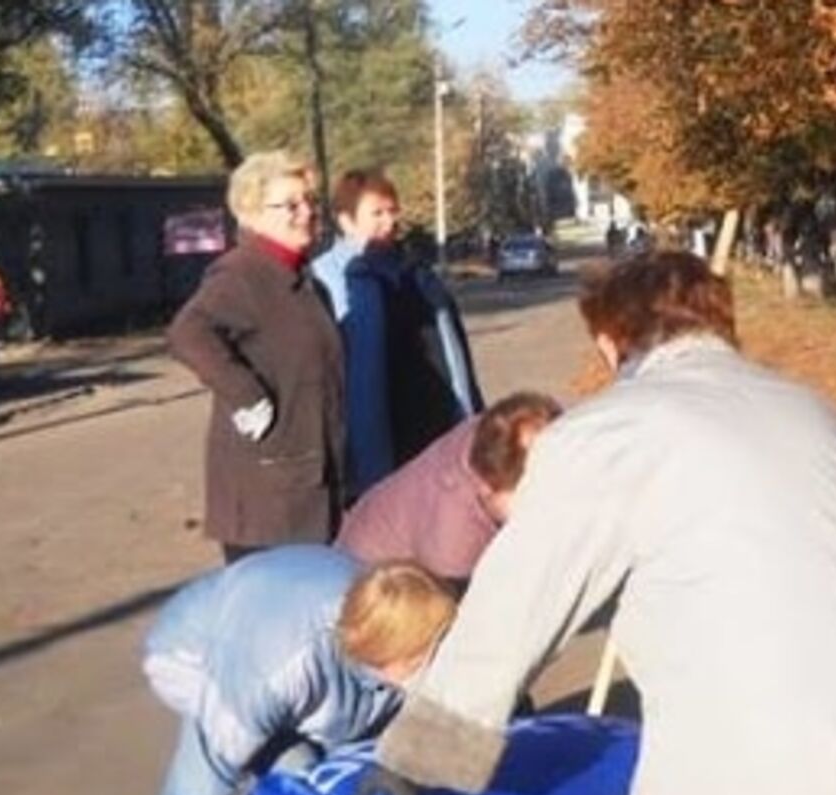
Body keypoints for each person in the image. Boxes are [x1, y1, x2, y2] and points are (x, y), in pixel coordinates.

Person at [368, 252, 836, 795]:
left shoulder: (607, 432)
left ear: (607, 340)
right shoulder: (818, 412)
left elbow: (509, 618)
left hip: (775, 727)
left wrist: (409, 772)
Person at [130, 548, 457, 795]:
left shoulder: (390, 627)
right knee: (303, 780)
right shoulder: (277, 671)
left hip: (316, 661)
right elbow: (204, 770)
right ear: (388, 653)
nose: (437, 666)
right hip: (193, 655)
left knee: (353, 776)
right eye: (423, 658)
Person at [168, 150, 345, 563]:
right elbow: (188, 332)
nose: (306, 212)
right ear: (251, 213)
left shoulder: (305, 282)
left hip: (312, 485)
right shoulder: (242, 274)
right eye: (291, 204)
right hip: (269, 500)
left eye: (309, 202)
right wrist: (247, 395)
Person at [310, 169, 483, 502]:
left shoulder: (415, 271)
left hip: (432, 424)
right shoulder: (327, 278)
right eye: (376, 213)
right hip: (373, 434)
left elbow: (450, 348)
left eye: (392, 211)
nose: (388, 221)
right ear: (346, 221)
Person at [336, 390, 563, 585]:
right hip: (378, 593)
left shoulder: (493, 434)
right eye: (528, 497)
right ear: (486, 487)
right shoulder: (453, 543)